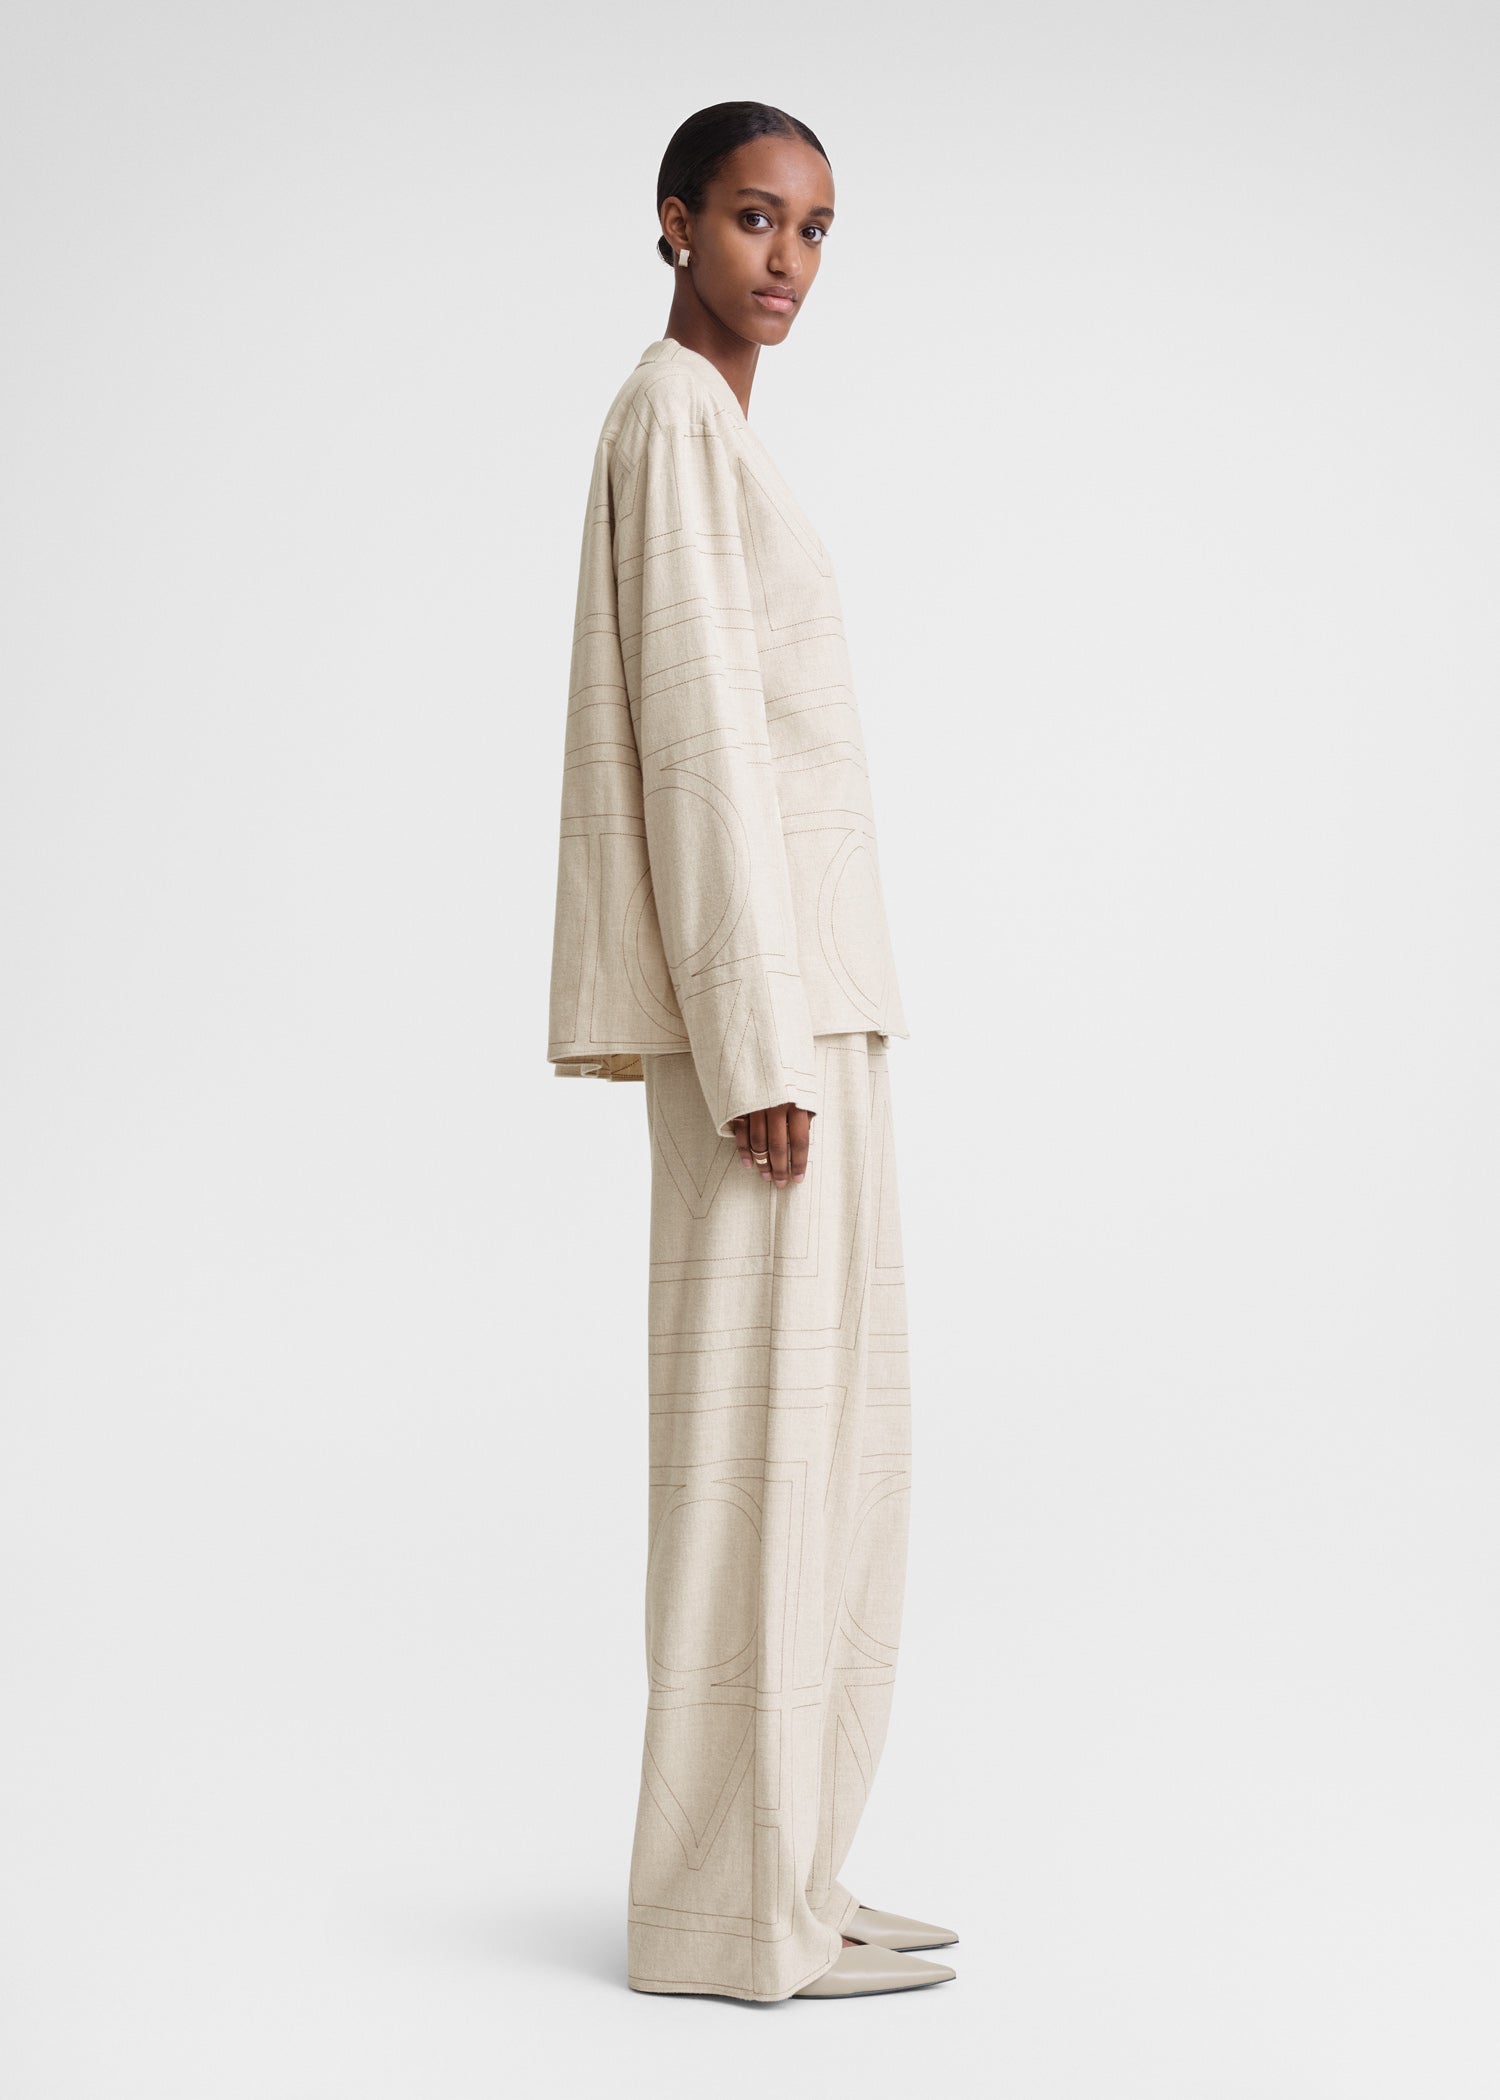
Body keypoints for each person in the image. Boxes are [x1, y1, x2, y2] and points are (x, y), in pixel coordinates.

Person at [545, 101, 955, 2003]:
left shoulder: (720, 428)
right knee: (754, 1471)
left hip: (818, 1007)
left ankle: (793, 1868)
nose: (786, 260)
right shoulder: (670, 420)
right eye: (753, 219)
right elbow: (696, 743)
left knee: (832, 1461)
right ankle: (728, 1918)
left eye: (814, 230)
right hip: (769, 1033)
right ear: (674, 223)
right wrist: (750, 1039)